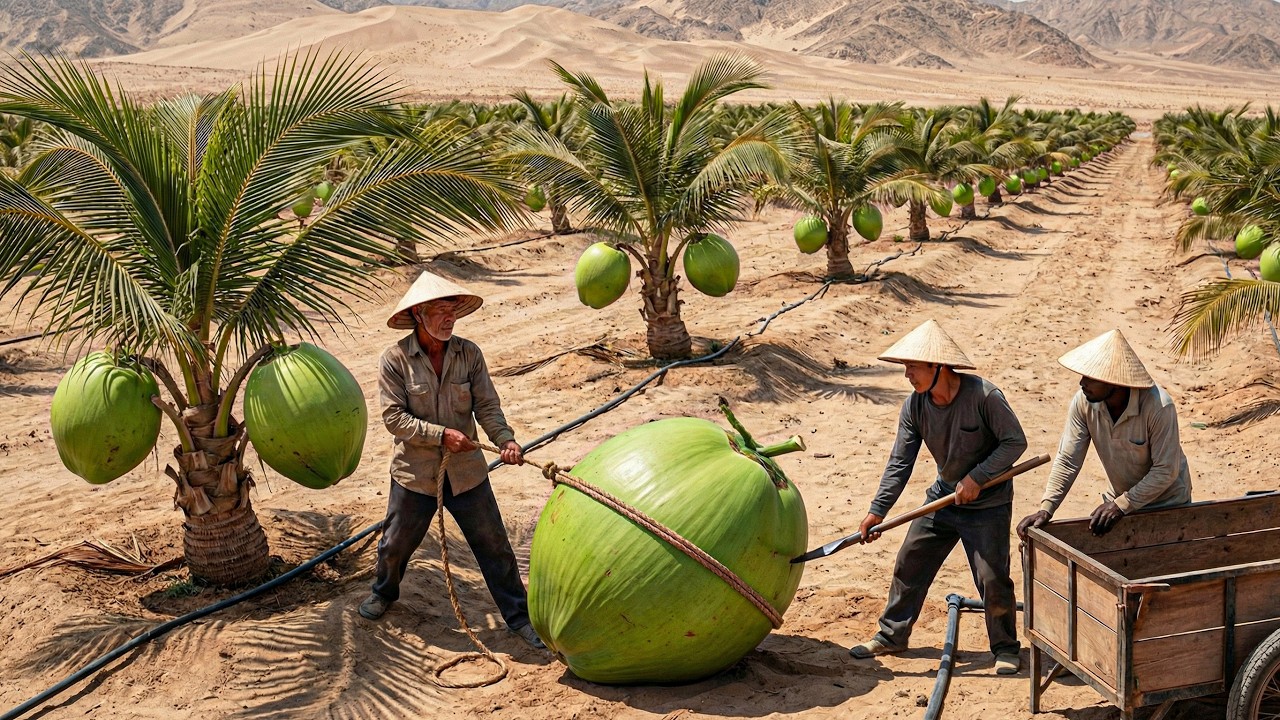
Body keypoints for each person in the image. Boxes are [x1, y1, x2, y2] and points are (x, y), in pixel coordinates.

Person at [358, 270, 544, 650]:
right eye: (440, 312)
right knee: (394, 544)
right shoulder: (394, 360)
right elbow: (394, 418)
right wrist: (441, 435)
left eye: (452, 313)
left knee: (494, 544)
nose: (449, 320)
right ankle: (384, 592)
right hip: (415, 475)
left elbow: (487, 406)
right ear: (418, 315)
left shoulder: (469, 354)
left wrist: (505, 439)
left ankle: (519, 617)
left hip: (467, 474)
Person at [849, 319, 1027, 676]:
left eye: (913, 367)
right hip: (943, 499)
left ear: (938, 367)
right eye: (906, 367)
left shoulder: (983, 397)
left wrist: (978, 477)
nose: (907, 375)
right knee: (910, 561)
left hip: (987, 506)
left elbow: (1015, 442)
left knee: (992, 578)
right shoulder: (915, 407)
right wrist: (877, 511)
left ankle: (1005, 647)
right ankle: (891, 634)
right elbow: (900, 461)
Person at [1017, 329, 1192, 540]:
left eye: (1090, 378)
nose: (1082, 383)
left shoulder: (1159, 406)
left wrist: (1121, 506)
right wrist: (1047, 508)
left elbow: (1165, 470)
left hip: (1168, 503)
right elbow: (1068, 460)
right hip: (1118, 500)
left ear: (1114, 381)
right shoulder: (1083, 402)